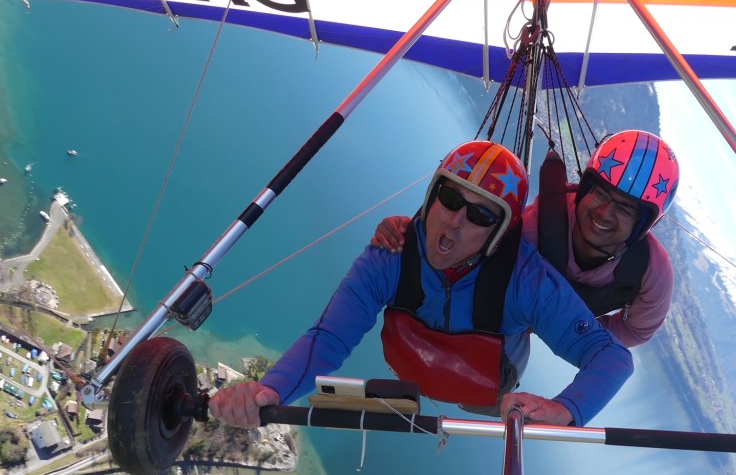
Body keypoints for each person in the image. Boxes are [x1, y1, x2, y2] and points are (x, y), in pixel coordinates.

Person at [210, 140, 632, 430]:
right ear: (431, 198)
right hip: (413, 369)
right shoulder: (392, 253)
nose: (455, 221)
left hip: (485, 393)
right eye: (450, 199)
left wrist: (565, 409)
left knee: (482, 400)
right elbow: (329, 339)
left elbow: (611, 357)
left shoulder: (527, 282)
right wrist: (272, 390)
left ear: (499, 233)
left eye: (481, 215)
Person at [372, 130, 678, 348]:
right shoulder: (534, 228)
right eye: (600, 193)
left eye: (625, 209)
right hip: (506, 317)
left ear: (643, 226)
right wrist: (409, 233)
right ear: (584, 188)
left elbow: (636, 331)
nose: (605, 213)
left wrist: (574, 329)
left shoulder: (650, 274)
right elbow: (461, 249)